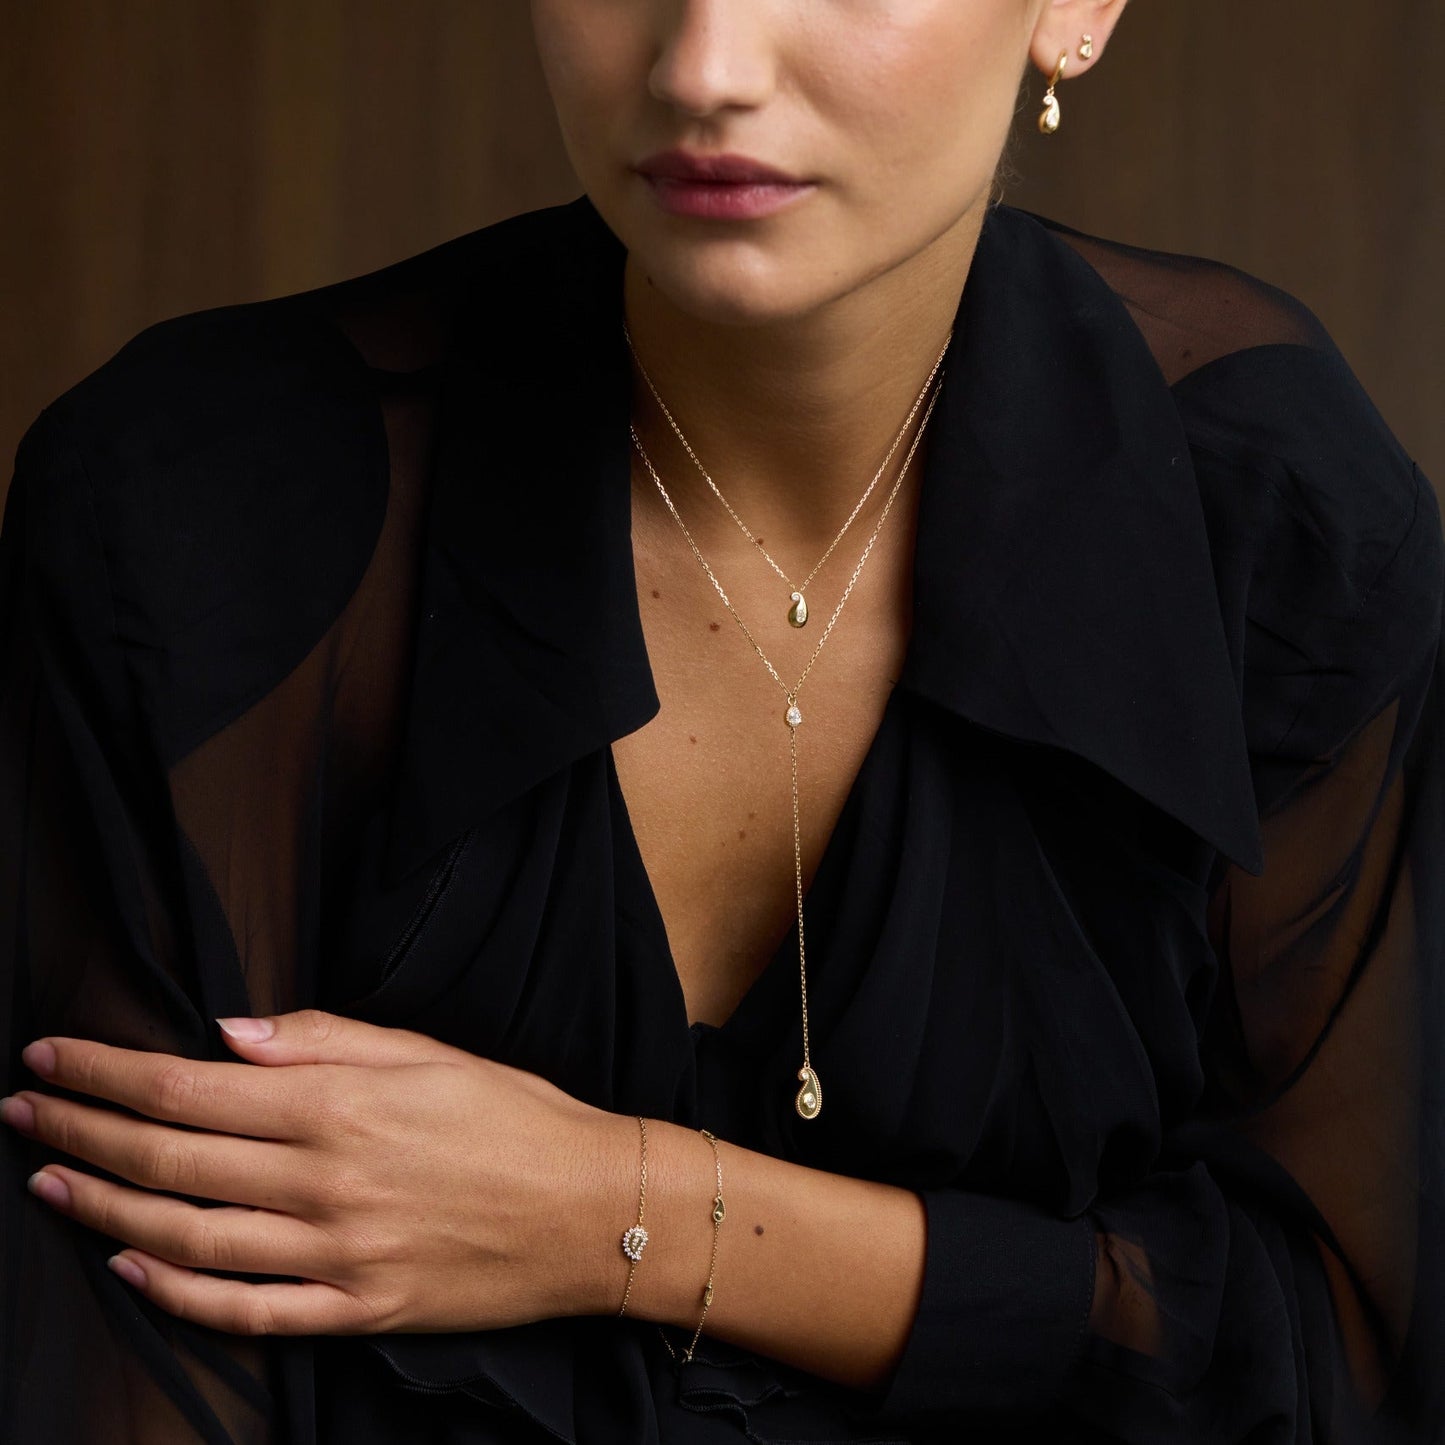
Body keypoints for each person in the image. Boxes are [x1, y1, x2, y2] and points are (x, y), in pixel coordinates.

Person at [1, 0, 1442, 1440]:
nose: (704, 68)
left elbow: (1327, 1355)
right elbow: (122, 1353)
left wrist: (619, 1211)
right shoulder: (194, 519)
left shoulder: (1269, 523)